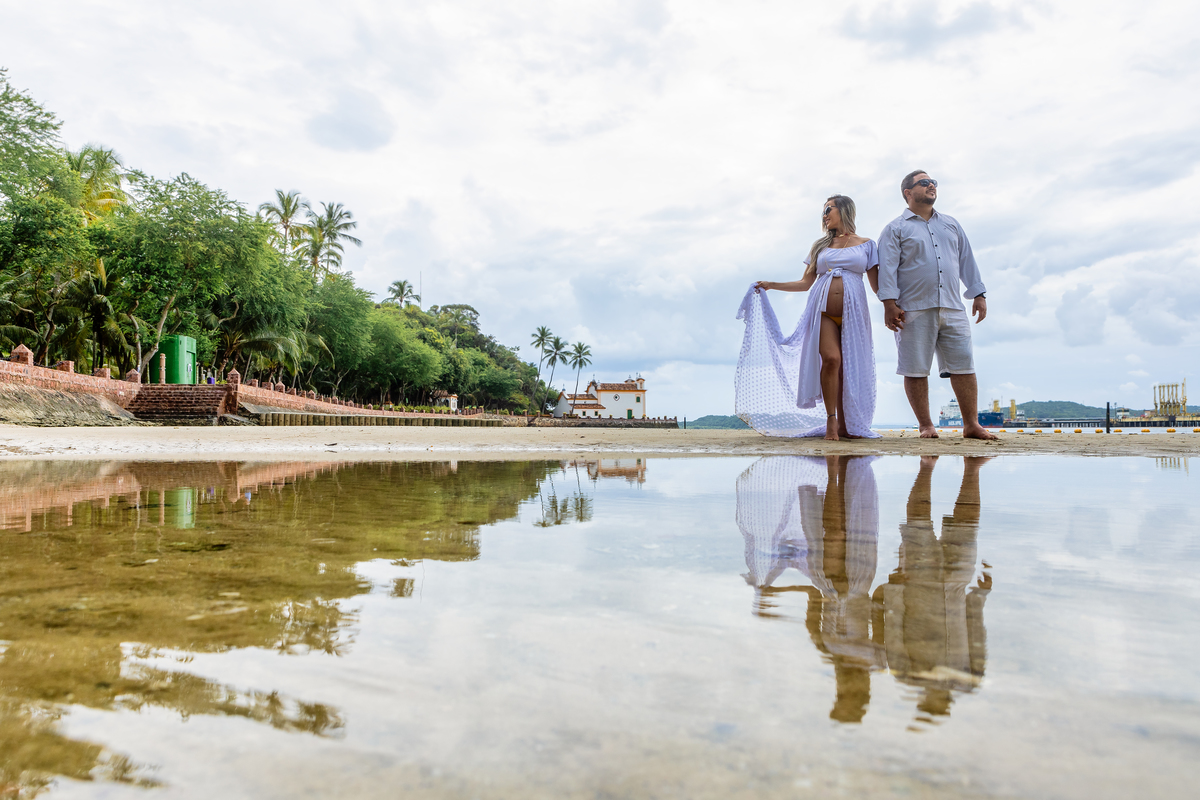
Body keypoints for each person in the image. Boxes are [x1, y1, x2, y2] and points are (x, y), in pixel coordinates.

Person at [743, 195, 880, 440]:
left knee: (848, 368)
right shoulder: (820, 247)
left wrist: (895, 305)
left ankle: (849, 425)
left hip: (855, 314)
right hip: (822, 313)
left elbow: (878, 286)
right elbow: (805, 283)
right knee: (831, 360)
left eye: (829, 209)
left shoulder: (867, 244)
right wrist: (771, 285)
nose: (825, 215)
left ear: (845, 210)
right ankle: (831, 421)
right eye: (823, 212)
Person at [878, 171, 998, 439]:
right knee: (915, 367)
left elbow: (966, 259)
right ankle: (926, 426)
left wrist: (978, 293)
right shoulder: (895, 228)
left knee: (964, 364)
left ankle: (971, 425)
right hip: (913, 307)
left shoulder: (951, 224)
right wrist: (889, 304)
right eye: (924, 182)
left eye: (933, 182)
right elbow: (886, 269)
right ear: (908, 192)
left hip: (953, 306)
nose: (931, 185)